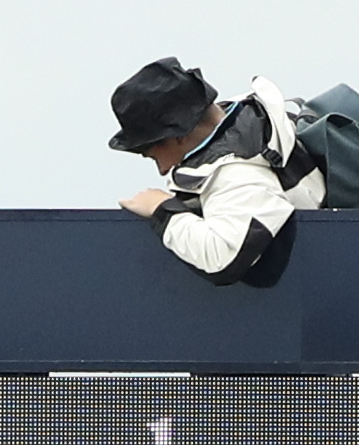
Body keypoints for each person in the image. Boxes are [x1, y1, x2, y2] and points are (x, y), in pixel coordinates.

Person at [103, 61, 323, 287]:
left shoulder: (238, 174)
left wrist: (162, 210)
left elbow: (224, 259)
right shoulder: (244, 117)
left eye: (154, 156)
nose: (162, 170)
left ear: (178, 136)